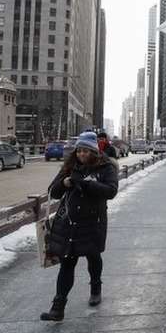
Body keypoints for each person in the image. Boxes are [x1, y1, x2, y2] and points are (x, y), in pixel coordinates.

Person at [40, 131, 119, 321]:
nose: (81, 154)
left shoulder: (105, 167)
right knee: (67, 264)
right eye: (79, 151)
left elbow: (111, 191)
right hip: (70, 223)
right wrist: (65, 182)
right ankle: (57, 308)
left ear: (93, 151)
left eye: (85, 151)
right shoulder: (70, 166)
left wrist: (86, 185)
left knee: (93, 257)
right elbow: (53, 190)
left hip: (93, 222)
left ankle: (95, 288)